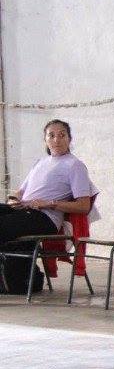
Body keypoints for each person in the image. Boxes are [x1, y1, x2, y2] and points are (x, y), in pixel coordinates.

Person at [2, 120, 95, 292]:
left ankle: (13, 277)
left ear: (69, 139)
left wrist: (49, 204)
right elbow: (20, 192)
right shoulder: (41, 162)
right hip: (23, 210)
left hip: (44, 217)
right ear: (45, 140)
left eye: (62, 135)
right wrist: (13, 200)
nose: (56, 139)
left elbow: (83, 206)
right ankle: (13, 276)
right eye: (51, 135)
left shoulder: (75, 165)